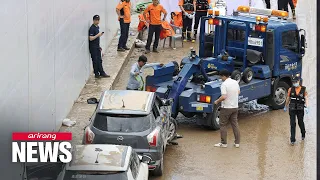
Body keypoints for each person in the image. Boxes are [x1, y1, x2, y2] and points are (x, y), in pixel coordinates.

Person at [213, 69, 240, 148]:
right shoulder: (235, 82)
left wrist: (217, 101)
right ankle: (237, 143)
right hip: (235, 107)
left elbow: (224, 96)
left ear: (224, 76)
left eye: (221, 77)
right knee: (235, 125)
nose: (221, 78)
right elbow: (238, 92)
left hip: (226, 108)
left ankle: (224, 143)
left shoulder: (224, 84)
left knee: (223, 125)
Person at [284, 76, 308, 145]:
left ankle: (303, 133)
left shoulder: (304, 89)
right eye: (293, 82)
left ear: (299, 81)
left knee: (300, 122)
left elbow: (306, 98)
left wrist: (307, 107)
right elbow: (288, 98)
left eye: (296, 82)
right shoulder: (290, 89)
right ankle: (292, 140)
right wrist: (285, 106)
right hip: (292, 108)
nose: (295, 83)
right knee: (292, 123)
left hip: (300, 108)